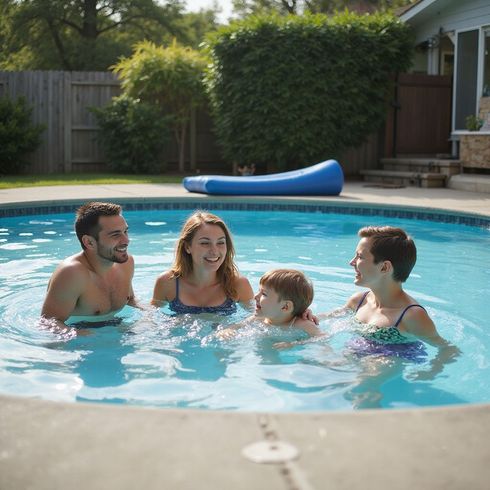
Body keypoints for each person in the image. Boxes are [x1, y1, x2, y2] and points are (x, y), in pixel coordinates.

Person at [323, 226, 460, 378]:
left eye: (360, 257)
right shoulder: (358, 301)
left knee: (361, 385)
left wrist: (432, 371)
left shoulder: (411, 315)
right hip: (357, 350)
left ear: (384, 267)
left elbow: (448, 349)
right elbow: (327, 317)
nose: (351, 262)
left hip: (392, 359)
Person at [40, 202, 138, 334]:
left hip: (118, 331)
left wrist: (151, 317)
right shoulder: (72, 273)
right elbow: (47, 323)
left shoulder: (126, 263)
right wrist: (81, 335)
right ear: (89, 242)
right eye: (115, 235)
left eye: (125, 231)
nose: (126, 240)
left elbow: (131, 300)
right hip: (83, 342)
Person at [151, 211, 254, 315]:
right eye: (205, 243)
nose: (214, 251)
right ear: (187, 247)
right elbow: (150, 319)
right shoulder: (167, 283)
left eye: (220, 242)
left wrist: (232, 329)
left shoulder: (238, 284)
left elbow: (257, 319)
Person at [218, 269, 324, 346]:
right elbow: (238, 325)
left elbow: (323, 337)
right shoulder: (260, 318)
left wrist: (294, 344)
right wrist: (228, 330)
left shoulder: (301, 324)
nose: (255, 296)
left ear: (285, 307)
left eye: (264, 294)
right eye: (259, 291)